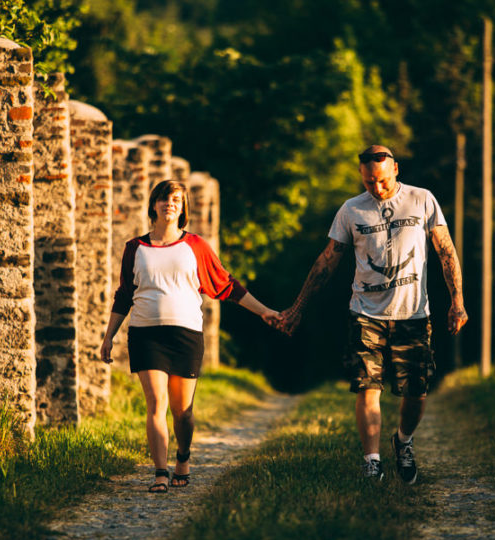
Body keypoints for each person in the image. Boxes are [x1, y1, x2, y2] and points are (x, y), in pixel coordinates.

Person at [274, 145, 467, 484]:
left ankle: (403, 441)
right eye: (367, 183)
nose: (375, 189)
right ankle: (372, 461)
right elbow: (326, 262)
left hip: (413, 314)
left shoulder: (422, 200)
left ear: (395, 169)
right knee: (368, 387)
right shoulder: (351, 210)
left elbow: (445, 250)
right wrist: (297, 307)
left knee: (416, 392)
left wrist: (457, 301)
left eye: (380, 181)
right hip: (364, 313)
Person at [100, 180, 278, 493]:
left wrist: (263, 311)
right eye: (165, 199)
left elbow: (226, 285)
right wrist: (108, 337)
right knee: (156, 403)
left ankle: (183, 456)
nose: (170, 204)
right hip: (145, 333)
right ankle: (159, 472)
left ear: (183, 209)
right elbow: (125, 295)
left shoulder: (194, 245)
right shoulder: (134, 248)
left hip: (185, 334)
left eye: (177, 200)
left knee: (182, 412)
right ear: (154, 204)